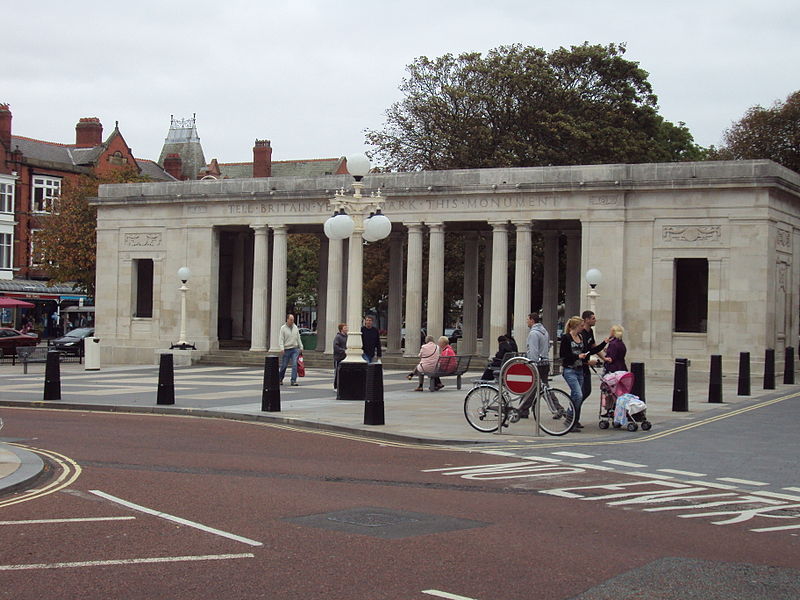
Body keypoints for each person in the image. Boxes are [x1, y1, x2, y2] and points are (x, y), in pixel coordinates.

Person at [561, 315, 610, 432]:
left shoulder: (581, 337)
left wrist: (604, 343)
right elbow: (563, 355)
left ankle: (572, 419)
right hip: (569, 370)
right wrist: (577, 356)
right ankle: (571, 419)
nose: (583, 328)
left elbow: (589, 351)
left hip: (580, 370)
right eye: (581, 326)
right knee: (578, 394)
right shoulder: (566, 338)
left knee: (577, 395)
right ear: (575, 326)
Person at [525, 312, 550, 383]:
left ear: (532, 320)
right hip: (545, 362)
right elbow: (548, 346)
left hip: (537, 364)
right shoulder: (545, 332)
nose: (527, 321)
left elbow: (533, 350)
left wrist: (532, 363)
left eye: (528, 319)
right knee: (544, 385)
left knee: (532, 387)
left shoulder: (533, 333)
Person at [278, 314, 303, 386]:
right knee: (284, 365)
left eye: (293, 320)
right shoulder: (283, 328)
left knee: (295, 364)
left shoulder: (295, 327)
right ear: (287, 320)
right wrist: (282, 348)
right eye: (291, 320)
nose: (292, 321)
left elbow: (298, 337)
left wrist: (301, 346)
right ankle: (280, 378)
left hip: (294, 348)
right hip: (286, 349)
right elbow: (281, 339)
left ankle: (293, 380)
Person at [333, 323, 348, 390]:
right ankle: (336, 385)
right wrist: (343, 350)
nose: (346, 329)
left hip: (345, 357)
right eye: (345, 328)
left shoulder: (347, 336)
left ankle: (342, 385)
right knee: (337, 372)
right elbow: (335, 346)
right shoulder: (338, 337)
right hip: (338, 357)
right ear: (341, 329)